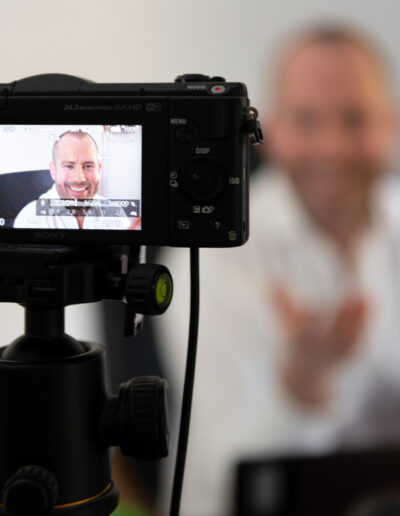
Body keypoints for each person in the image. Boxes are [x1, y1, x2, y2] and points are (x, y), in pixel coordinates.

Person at [156, 25, 400, 516]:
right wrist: (301, 385)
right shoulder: (213, 255)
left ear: (390, 124)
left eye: (354, 118)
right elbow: (226, 469)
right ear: (271, 130)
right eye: (307, 121)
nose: (331, 148)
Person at [14, 130, 136, 230]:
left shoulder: (115, 212)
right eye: (69, 166)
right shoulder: (28, 217)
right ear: (53, 171)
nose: (80, 178)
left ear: (98, 169)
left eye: (88, 166)